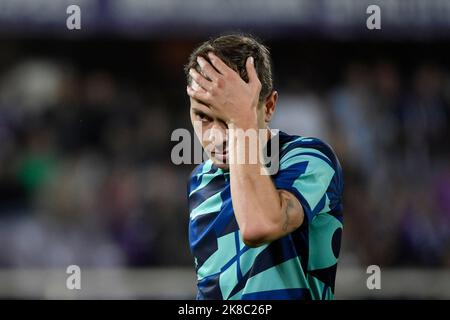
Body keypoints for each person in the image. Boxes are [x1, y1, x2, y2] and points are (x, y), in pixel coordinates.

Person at [185, 34, 344, 300]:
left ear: (268, 106)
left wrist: (241, 123)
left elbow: (259, 226)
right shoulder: (199, 180)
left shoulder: (308, 158)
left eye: (229, 118)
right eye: (203, 116)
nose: (217, 137)